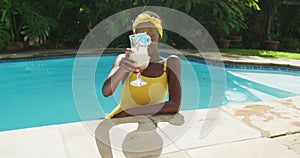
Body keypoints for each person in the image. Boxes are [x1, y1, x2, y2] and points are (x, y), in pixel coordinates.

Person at [102, 11, 182, 118]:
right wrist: (122, 69)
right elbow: (106, 92)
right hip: (119, 119)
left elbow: (174, 106)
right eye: (141, 37)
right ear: (135, 38)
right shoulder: (124, 60)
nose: (146, 42)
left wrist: (131, 112)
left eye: (151, 35)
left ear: (159, 36)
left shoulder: (170, 64)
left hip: (126, 114)